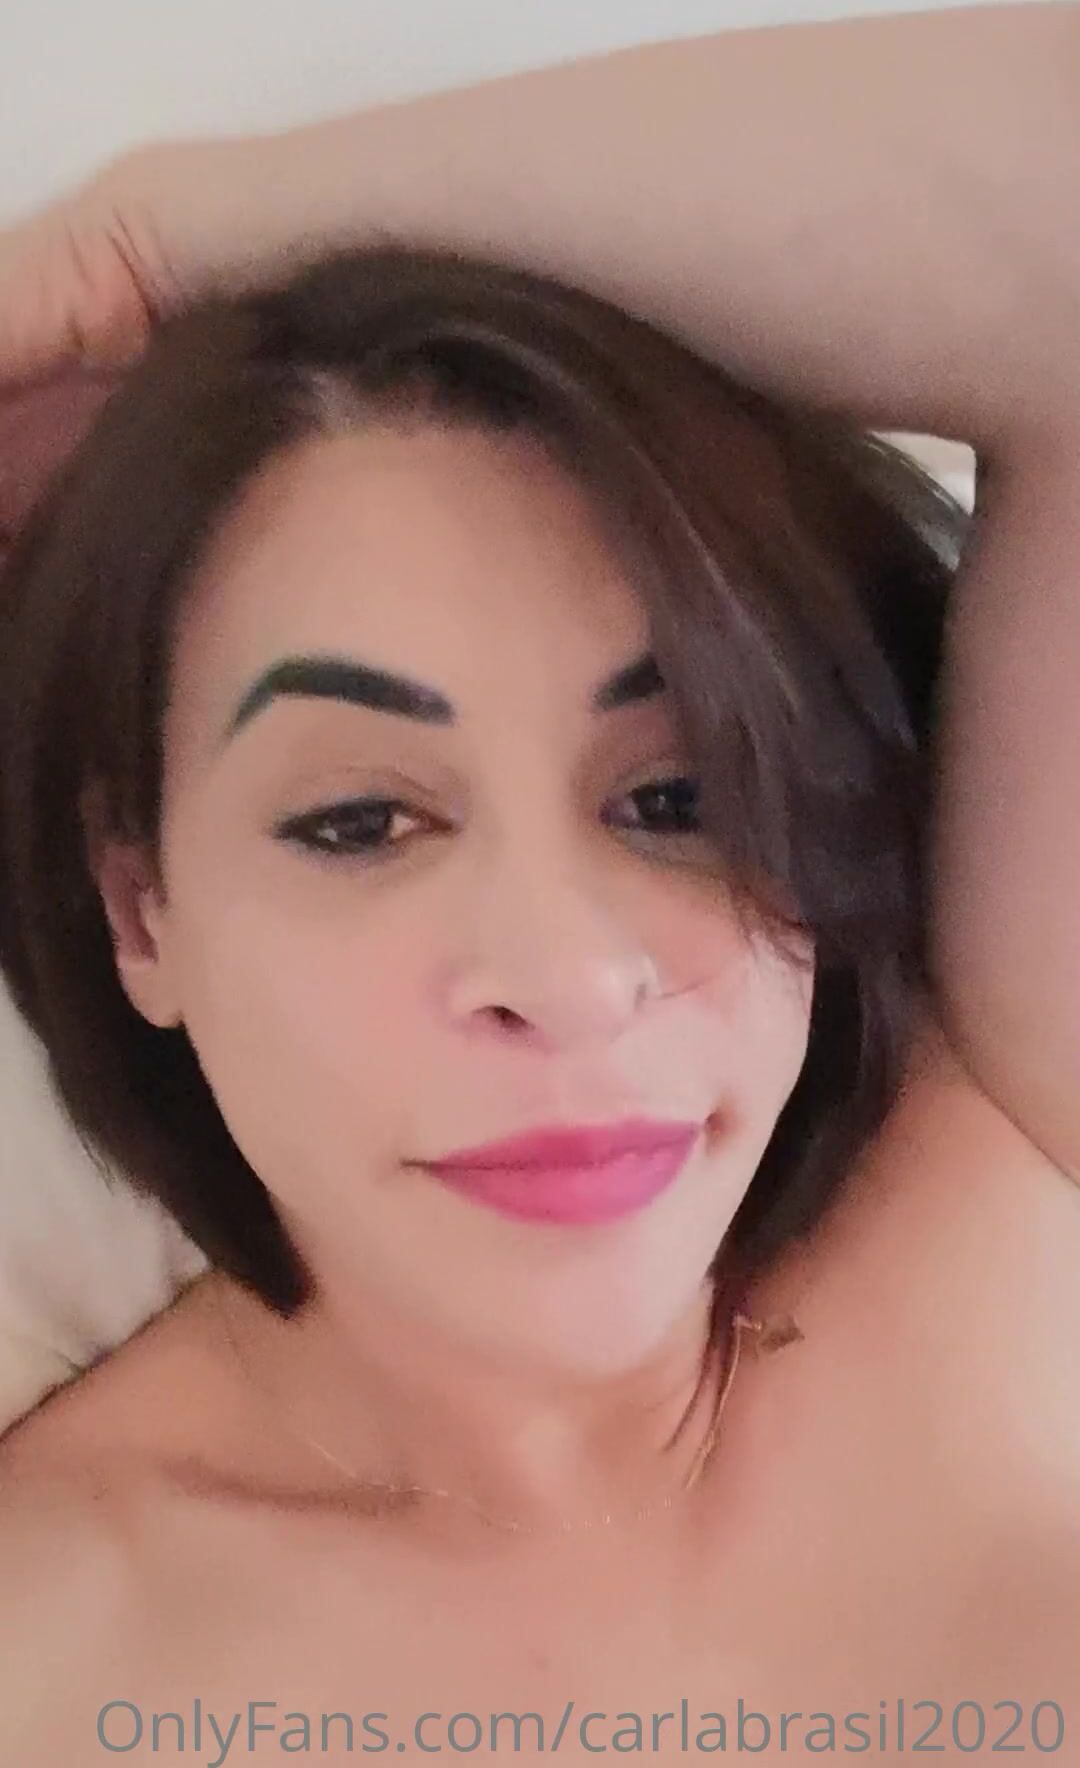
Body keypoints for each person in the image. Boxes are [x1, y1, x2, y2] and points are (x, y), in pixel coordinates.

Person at [1, 6, 1078, 1765]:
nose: (570, 975)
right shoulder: (51, 1652)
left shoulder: (1002, 1161)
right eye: (361, 822)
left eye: (674, 798)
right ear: (141, 915)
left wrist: (154, 245)